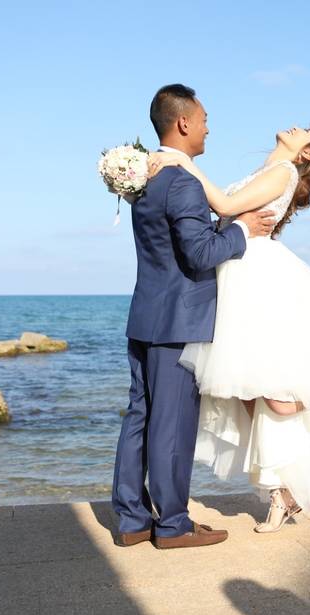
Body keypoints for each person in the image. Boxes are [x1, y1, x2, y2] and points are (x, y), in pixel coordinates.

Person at [149, 124, 310, 533]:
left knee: (278, 401)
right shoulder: (267, 170)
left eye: (306, 132)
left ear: (306, 154)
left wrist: (183, 161)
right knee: (252, 401)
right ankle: (281, 493)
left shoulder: (283, 173)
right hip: (237, 279)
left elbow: (223, 205)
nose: (297, 126)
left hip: (261, 281)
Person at [111, 84, 277, 549]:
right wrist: (241, 229)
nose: (208, 126)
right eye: (204, 118)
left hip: (145, 315)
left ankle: (131, 519)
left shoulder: (144, 179)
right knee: (172, 425)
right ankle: (173, 525)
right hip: (179, 323)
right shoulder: (182, 181)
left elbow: (171, 244)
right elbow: (200, 253)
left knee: (139, 419)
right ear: (183, 123)